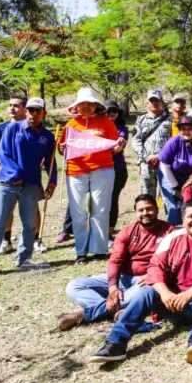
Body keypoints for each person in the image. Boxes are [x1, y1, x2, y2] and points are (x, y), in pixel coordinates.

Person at [88, 199, 192, 365]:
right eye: (190, 216)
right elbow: (154, 267)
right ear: (183, 220)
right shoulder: (173, 238)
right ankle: (116, 343)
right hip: (177, 304)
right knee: (147, 291)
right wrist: (165, 293)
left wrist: (188, 294)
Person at [58, 195, 173, 330]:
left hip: (148, 280)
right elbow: (115, 261)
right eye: (141, 210)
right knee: (74, 286)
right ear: (135, 212)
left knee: (148, 289)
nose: (145, 213)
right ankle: (115, 312)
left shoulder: (169, 231)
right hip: (123, 279)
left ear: (157, 209)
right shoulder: (127, 232)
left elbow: (172, 260)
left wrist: (153, 276)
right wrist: (113, 287)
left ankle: (85, 314)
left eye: (149, 209)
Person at [0, 97, 57, 278]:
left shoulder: (47, 136)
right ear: (25, 111)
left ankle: (24, 259)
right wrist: (14, 175)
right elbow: (3, 154)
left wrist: (52, 181)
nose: (33, 114)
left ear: (44, 113)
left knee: (29, 224)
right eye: (30, 110)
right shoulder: (12, 128)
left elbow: (50, 161)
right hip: (8, 183)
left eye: (37, 111)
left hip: (31, 185)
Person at [59, 88, 123, 264]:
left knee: (100, 210)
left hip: (102, 169)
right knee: (78, 212)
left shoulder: (106, 122)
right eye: (82, 104)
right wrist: (62, 148)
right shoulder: (71, 124)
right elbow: (62, 148)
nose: (86, 107)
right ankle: (81, 250)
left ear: (96, 105)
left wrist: (120, 147)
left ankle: (99, 250)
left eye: (89, 104)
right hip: (75, 171)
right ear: (77, 106)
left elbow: (115, 147)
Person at [0, 95, 45, 253]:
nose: (11, 109)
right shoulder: (2, 127)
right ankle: (6, 240)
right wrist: (3, 172)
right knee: (5, 210)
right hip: (7, 177)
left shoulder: (38, 127)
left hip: (30, 178)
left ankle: (35, 239)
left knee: (32, 209)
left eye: (16, 105)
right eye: (9, 105)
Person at [158, 116, 192, 226]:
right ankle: (173, 231)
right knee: (175, 207)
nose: (186, 132)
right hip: (170, 175)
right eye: (183, 129)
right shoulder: (173, 142)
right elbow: (164, 165)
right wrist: (175, 186)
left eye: (189, 128)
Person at [131, 89, 172, 198]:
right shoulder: (140, 120)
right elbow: (136, 140)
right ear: (147, 103)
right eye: (151, 100)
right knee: (147, 196)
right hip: (146, 163)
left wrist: (160, 156)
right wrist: (145, 157)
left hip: (165, 162)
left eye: (157, 100)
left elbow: (174, 141)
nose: (154, 103)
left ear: (162, 101)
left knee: (169, 195)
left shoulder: (170, 119)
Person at [104, 100, 130, 240]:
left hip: (117, 170)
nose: (110, 114)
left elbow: (117, 149)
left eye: (114, 111)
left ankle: (109, 231)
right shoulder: (98, 126)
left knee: (112, 199)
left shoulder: (122, 128)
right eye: (107, 111)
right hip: (99, 169)